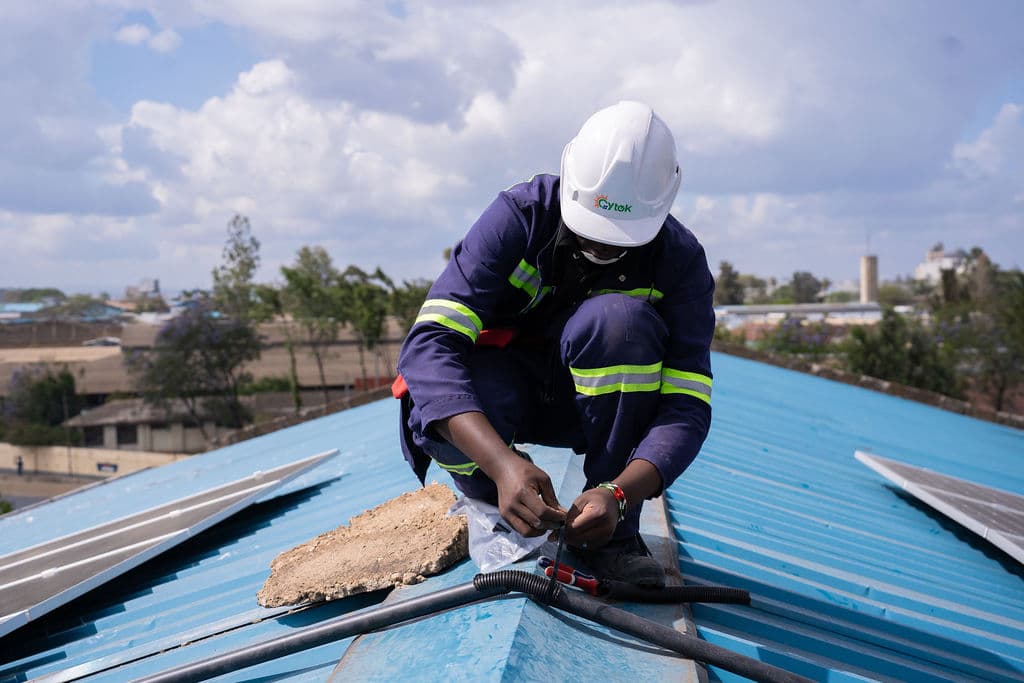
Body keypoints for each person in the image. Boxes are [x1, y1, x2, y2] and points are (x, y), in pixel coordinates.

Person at [395, 101, 715, 586]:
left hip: (593, 413)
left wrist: (621, 493)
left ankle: (610, 535)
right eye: (592, 231)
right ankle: (498, 504)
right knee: (432, 402)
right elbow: (429, 345)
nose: (603, 248)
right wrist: (502, 465)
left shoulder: (679, 261)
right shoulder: (520, 218)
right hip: (503, 398)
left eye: (621, 240)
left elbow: (686, 406)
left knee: (619, 322)